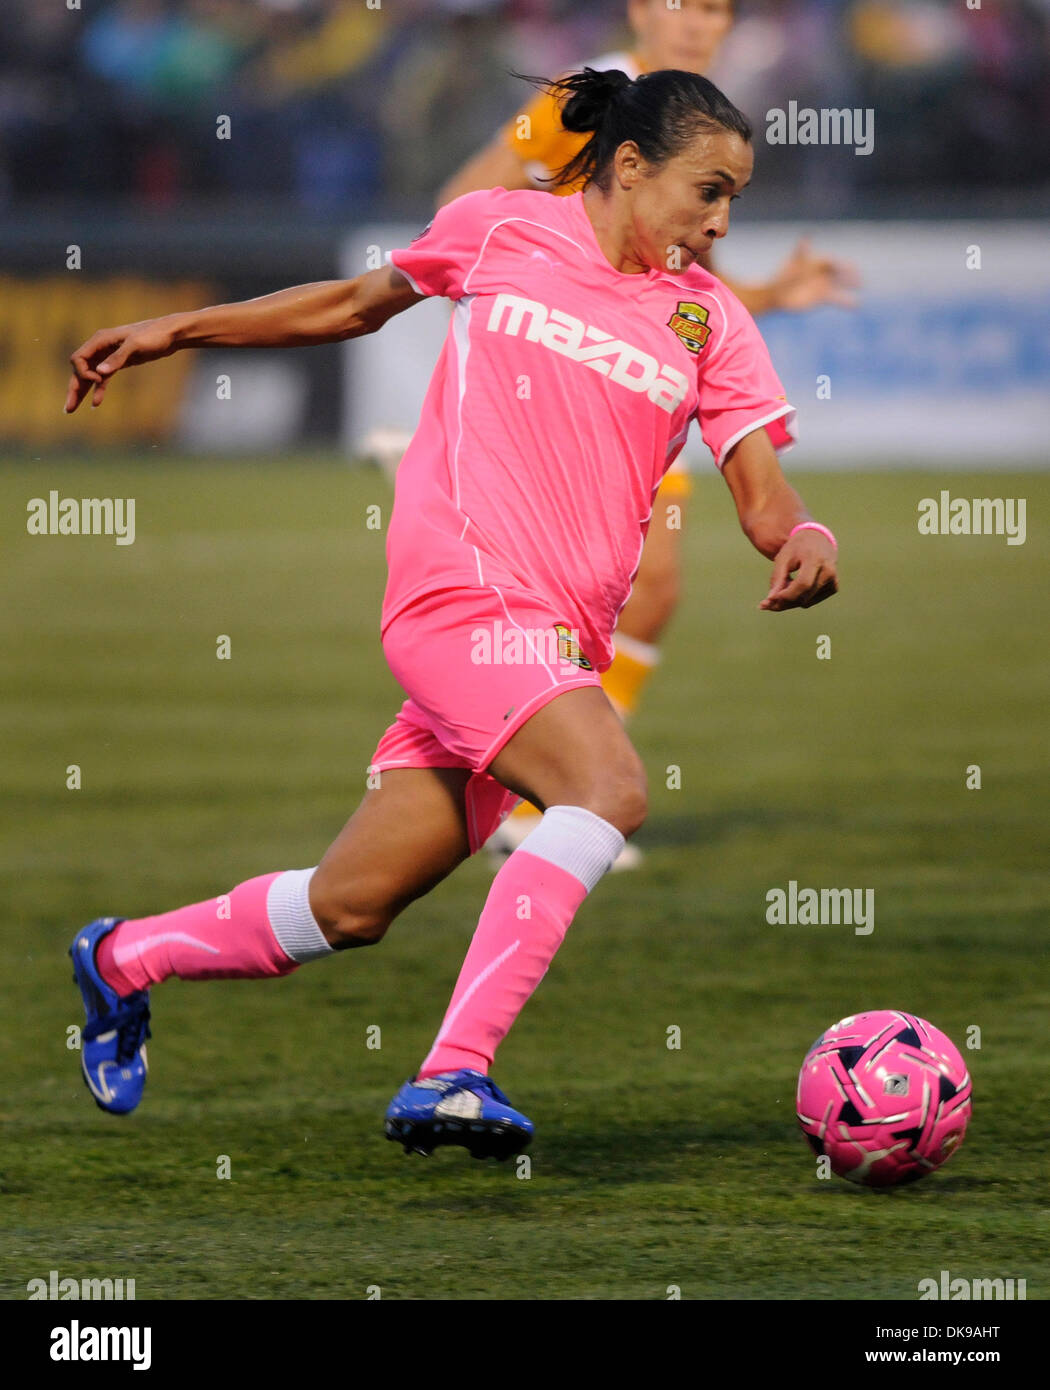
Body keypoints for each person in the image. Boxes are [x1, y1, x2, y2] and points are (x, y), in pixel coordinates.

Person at [65, 67, 838, 1161]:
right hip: (458, 600)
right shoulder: (499, 231)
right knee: (608, 787)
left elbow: (766, 498)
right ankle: (454, 1070)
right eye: (708, 191)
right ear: (628, 167)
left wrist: (810, 536)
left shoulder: (708, 317)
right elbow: (351, 304)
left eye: (735, 201)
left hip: (547, 649)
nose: (721, 221)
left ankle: (121, 959)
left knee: (348, 908)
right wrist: (181, 329)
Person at [438, 0, 855, 867]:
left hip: (640, 376)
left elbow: (689, 281)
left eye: (718, 11)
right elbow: (466, 197)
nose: (703, 23)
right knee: (607, 587)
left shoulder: (693, 113)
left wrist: (769, 295)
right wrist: (546, 269)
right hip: (564, 370)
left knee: (648, 592)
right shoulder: (586, 98)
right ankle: (558, 793)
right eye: (686, 4)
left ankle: (544, 788)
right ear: (641, 9)